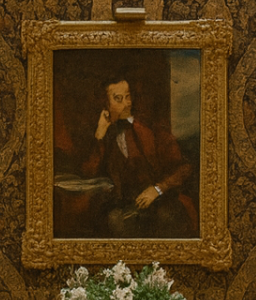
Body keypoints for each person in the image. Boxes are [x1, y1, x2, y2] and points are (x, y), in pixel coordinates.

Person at [79, 77, 198, 238]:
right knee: (113, 222)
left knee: (166, 218)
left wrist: (157, 189)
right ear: (106, 106)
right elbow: (88, 173)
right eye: (118, 99)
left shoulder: (151, 130)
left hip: (162, 203)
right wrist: (99, 135)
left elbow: (184, 168)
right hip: (125, 209)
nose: (127, 103)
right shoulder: (106, 135)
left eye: (128, 97)